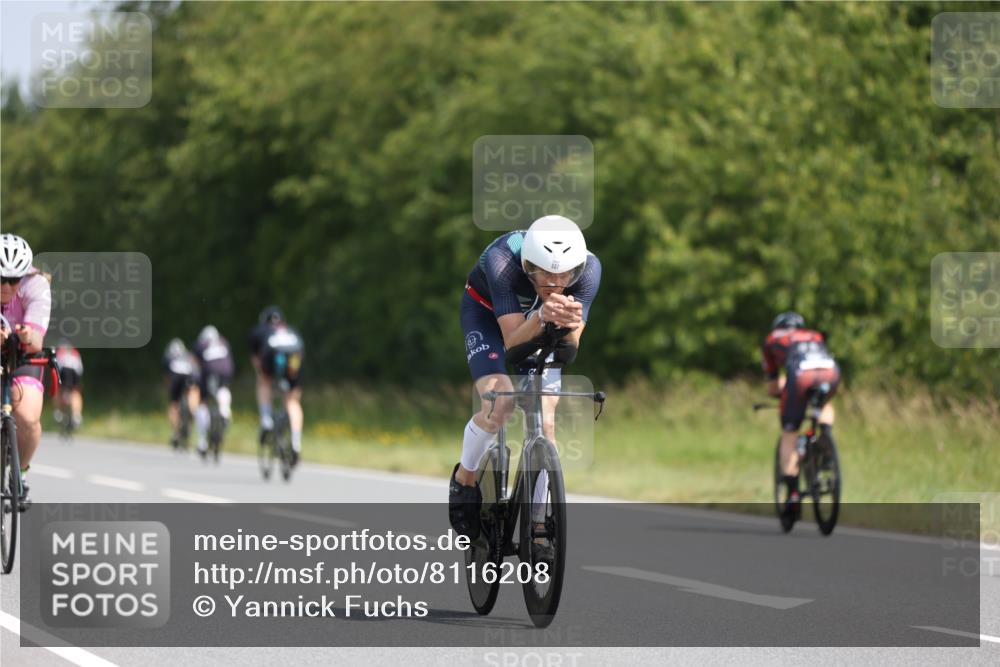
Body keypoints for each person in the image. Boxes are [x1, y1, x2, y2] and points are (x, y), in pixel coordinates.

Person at [450, 215, 601, 540]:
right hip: (487, 316)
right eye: (544, 272)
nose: (554, 282)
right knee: (500, 403)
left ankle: (538, 524)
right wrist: (543, 315)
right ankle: (465, 478)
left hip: (539, 321)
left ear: (577, 269)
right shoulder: (502, 260)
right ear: (528, 264)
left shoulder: (589, 269)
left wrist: (567, 327)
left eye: (565, 274)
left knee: (546, 422)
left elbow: (569, 350)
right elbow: (513, 344)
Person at [761, 311, 841, 518]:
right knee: (824, 403)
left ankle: (793, 494)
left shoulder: (772, 339)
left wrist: (782, 395)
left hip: (800, 375)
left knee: (789, 435)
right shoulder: (814, 335)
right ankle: (825, 441)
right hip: (830, 372)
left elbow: (773, 386)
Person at [0, 233, 52, 507]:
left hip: (23, 356)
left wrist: (25, 335)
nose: (6, 286)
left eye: (13, 280)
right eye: (1, 279)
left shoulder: (36, 285)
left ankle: (19, 473)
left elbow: (36, 342)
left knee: (28, 418)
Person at [249, 306, 305, 467]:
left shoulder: (260, 331)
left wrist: (262, 374)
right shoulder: (291, 330)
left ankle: (266, 419)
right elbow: (302, 351)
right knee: (292, 400)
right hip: (294, 356)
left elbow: (256, 360)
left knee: (263, 382)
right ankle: (296, 442)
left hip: (271, 353)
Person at [192, 325, 234, 460]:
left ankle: (202, 442)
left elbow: (195, 364)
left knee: (202, 402)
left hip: (209, 371)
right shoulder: (223, 341)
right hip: (226, 369)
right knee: (223, 389)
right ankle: (225, 411)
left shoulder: (201, 344)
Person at [162, 337, 200, 450]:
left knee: (174, 404)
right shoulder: (189, 356)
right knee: (193, 393)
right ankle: (193, 413)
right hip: (190, 376)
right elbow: (197, 371)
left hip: (175, 377)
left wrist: (170, 391)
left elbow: (167, 377)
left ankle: (175, 432)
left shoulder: (168, 357)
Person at [55, 339, 84, 429]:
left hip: (63, 370)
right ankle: (77, 415)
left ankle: (58, 412)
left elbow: (56, 368)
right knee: (75, 392)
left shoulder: (59, 352)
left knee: (57, 390)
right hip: (74, 372)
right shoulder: (75, 353)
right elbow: (80, 369)